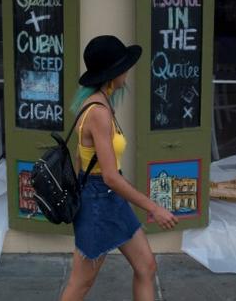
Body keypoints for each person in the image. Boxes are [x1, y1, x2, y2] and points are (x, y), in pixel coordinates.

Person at [60, 35, 179, 301]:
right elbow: (111, 178)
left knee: (146, 267)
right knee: (80, 284)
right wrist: (154, 208)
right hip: (99, 200)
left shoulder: (96, 102)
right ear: (113, 73)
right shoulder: (98, 112)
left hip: (106, 198)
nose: (127, 71)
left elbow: (81, 158)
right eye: (123, 66)